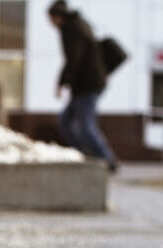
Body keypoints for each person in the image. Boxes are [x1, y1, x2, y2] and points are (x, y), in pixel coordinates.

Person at [47, 0, 118, 172]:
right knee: (66, 120)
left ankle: (107, 159)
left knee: (86, 125)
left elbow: (74, 60)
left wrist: (62, 83)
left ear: (57, 17)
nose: (50, 23)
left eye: (50, 19)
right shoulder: (77, 24)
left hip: (88, 85)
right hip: (87, 85)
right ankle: (84, 155)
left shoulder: (72, 29)